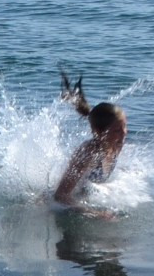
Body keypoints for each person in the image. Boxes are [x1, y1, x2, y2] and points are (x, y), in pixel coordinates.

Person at [53, 70, 126, 210]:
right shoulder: (88, 153)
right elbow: (60, 196)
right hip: (61, 206)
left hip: (82, 198)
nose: (124, 133)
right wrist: (94, 213)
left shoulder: (116, 144)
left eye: (124, 127)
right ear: (100, 132)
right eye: (117, 130)